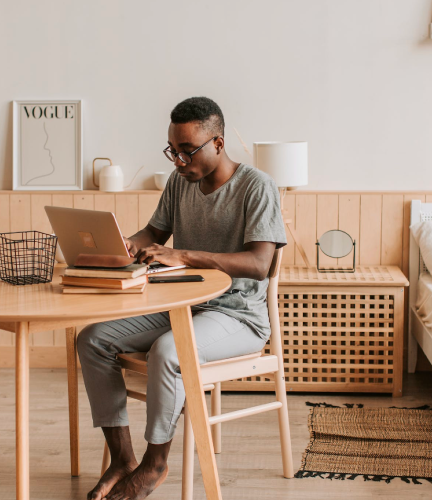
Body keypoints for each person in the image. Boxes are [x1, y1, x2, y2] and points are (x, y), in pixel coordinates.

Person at [77, 96, 287, 500]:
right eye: (173, 150)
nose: (178, 160)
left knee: (168, 351)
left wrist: (184, 254)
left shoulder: (257, 186)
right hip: (181, 305)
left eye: (187, 151)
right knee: (92, 338)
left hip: (238, 316)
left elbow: (260, 264)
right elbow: (153, 235)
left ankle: (155, 465)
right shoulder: (180, 181)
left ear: (219, 144)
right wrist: (121, 245)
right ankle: (122, 459)